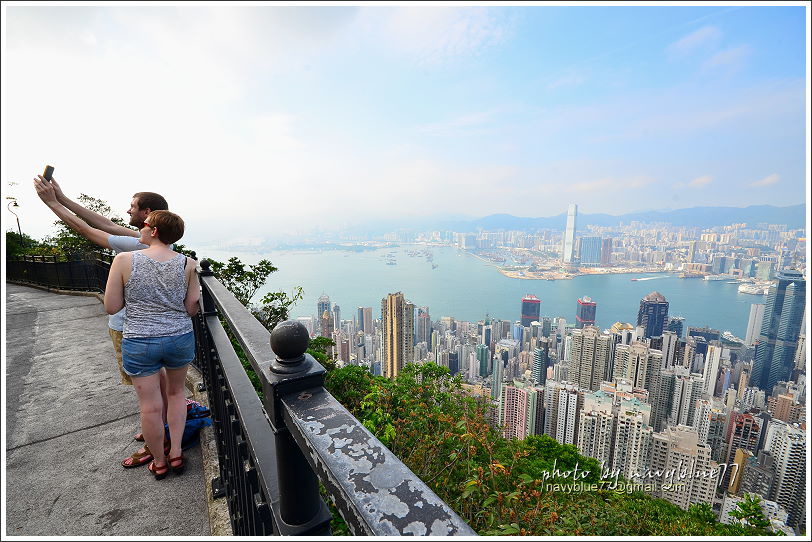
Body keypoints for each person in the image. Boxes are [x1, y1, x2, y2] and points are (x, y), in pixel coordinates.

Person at [33, 175, 171, 467]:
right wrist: (63, 197)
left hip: (130, 328)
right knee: (155, 385)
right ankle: (159, 431)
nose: (128, 211)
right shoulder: (152, 240)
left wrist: (50, 203)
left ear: (147, 214)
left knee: (145, 391)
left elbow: (86, 229)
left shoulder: (137, 246)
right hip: (156, 329)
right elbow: (105, 224)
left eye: (133, 207)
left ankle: (155, 443)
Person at [104, 210, 200, 479]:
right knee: (177, 395)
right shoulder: (188, 264)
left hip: (139, 340)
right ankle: (177, 453)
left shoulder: (124, 260)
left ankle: (159, 461)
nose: (140, 230)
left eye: (144, 226)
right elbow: (191, 307)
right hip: (178, 338)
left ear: (154, 230)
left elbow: (112, 306)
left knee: (150, 406)